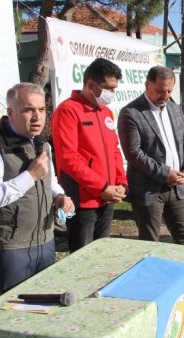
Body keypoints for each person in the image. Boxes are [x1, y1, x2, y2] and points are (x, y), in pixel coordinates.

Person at [0, 83, 75, 298]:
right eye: (28, 110)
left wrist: (60, 196)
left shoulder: (42, 144)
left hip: (46, 242)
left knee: (45, 309)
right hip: (11, 250)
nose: (37, 117)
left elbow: (50, 181)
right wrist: (29, 176)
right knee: (13, 312)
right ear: (11, 113)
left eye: (41, 109)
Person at [52, 58, 128, 252]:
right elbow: (69, 158)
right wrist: (101, 187)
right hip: (83, 201)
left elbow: (114, 150)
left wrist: (121, 183)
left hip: (107, 197)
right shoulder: (68, 110)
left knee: (102, 254)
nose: (112, 93)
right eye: (108, 88)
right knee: (83, 256)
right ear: (90, 85)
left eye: (115, 88)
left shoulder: (105, 112)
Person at [118, 66, 184, 245]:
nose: (165, 96)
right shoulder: (131, 113)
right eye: (160, 91)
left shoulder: (174, 108)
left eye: (169, 91)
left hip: (176, 187)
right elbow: (134, 153)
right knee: (150, 243)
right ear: (147, 85)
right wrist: (165, 173)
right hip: (149, 189)